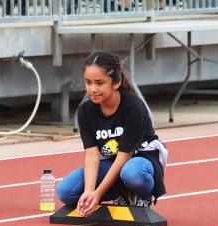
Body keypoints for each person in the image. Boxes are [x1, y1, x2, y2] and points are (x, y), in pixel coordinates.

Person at [57, 50, 167, 217]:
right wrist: (89, 191)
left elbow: (124, 156)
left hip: (139, 160)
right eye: (88, 82)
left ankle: (143, 197)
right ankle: (120, 194)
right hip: (110, 163)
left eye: (99, 83)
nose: (92, 89)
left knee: (132, 174)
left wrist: (99, 193)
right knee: (65, 192)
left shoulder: (133, 107)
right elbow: (92, 154)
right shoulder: (85, 111)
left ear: (115, 83)